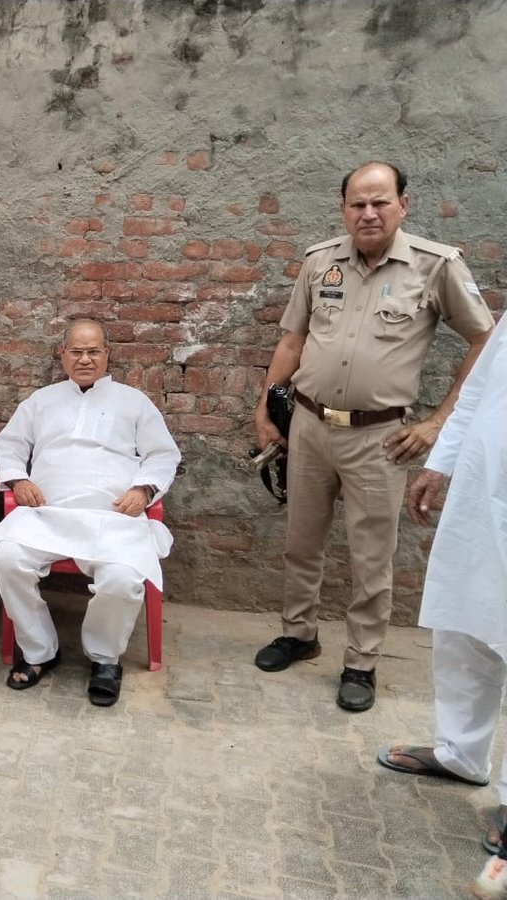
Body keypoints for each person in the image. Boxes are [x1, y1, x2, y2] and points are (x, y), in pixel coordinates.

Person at [252, 160, 494, 712]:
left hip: (379, 439)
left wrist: (437, 423)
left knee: (370, 558)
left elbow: (486, 341)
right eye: (357, 203)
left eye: (379, 202)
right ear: (343, 208)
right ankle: (299, 633)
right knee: (301, 543)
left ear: (402, 205)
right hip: (310, 426)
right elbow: (292, 341)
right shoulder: (319, 263)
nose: (368, 213)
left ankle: (361, 662)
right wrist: (266, 404)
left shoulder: (436, 267)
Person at [0, 319, 180, 707]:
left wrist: (144, 488)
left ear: (107, 354)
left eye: (93, 351)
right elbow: (10, 447)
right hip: (47, 515)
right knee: (7, 557)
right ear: (63, 355)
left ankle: (104, 658)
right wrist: (18, 480)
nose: (85, 359)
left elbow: (163, 455)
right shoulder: (41, 401)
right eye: (76, 351)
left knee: (123, 578)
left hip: (112, 518)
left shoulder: (134, 402)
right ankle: (39, 651)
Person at [372, 313, 507, 891]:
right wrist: (441, 462)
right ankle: (461, 753)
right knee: (466, 627)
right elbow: (480, 387)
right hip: (484, 490)